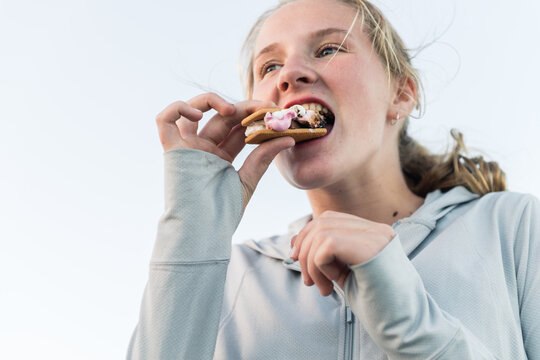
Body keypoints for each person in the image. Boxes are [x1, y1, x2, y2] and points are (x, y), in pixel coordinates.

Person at [127, 0, 539, 358]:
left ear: (401, 94)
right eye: (270, 66)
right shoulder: (230, 275)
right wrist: (192, 236)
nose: (289, 74)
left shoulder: (515, 228)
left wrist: (412, 324)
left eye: (328, 48)